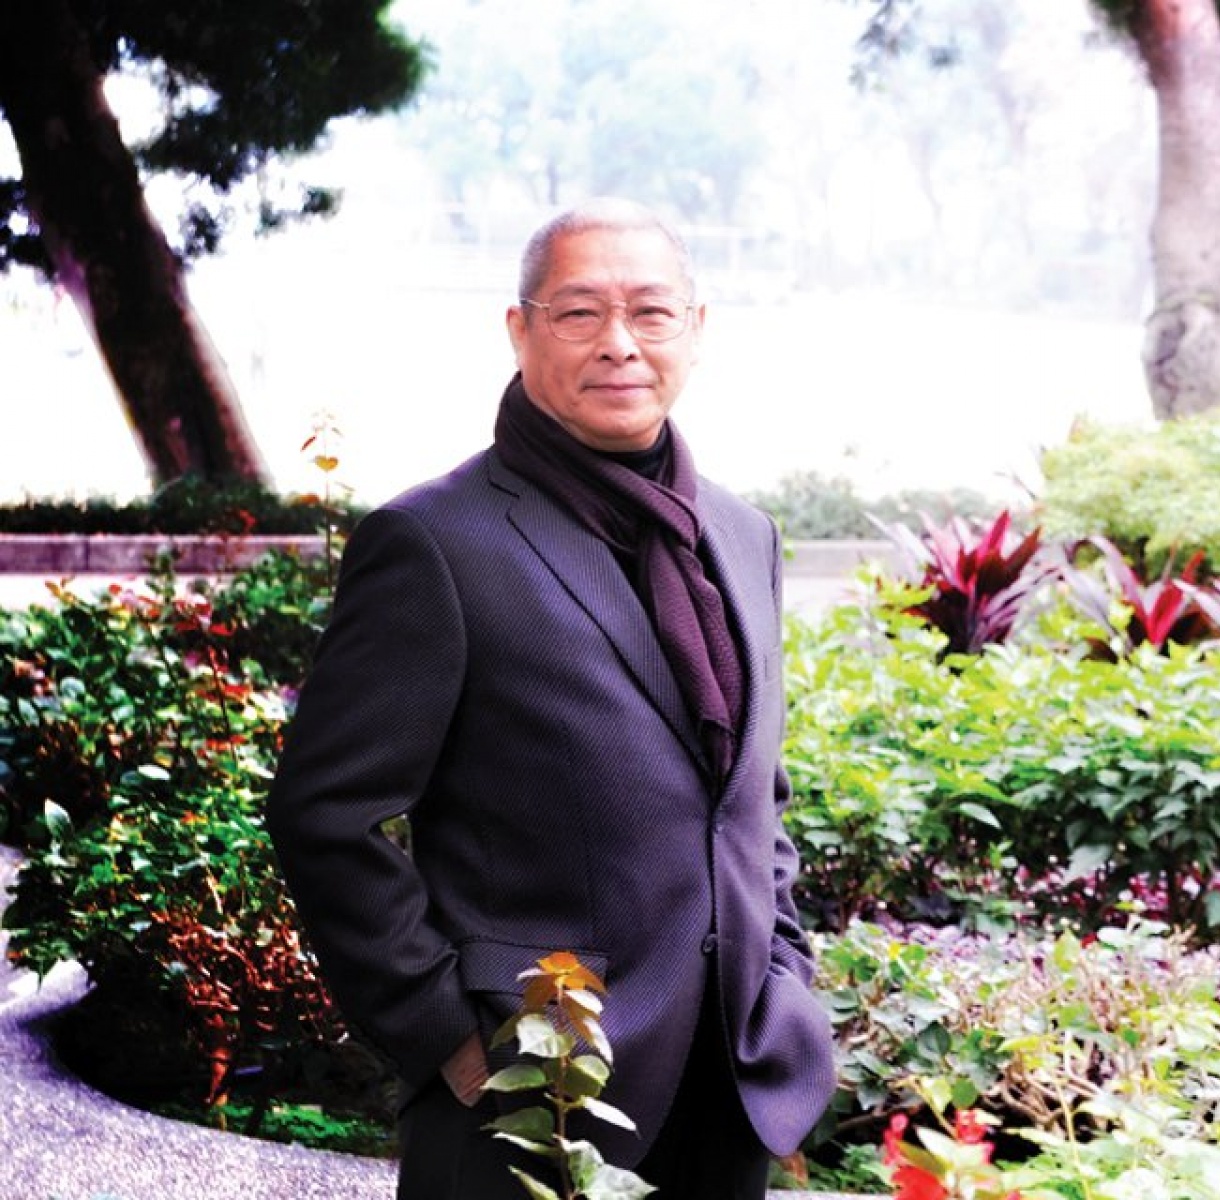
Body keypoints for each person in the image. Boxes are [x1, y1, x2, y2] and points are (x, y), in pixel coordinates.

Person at [266, 199, 836, 1200]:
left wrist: (782, 974)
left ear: (696, 329)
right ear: (519, 331)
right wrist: (447, 1036)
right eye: (579, 313)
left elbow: (752, 796)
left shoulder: (744, 537)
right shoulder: (437, 542)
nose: (620, 342)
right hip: (529, 1097)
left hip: (731, 1085)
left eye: (651, 312)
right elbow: (326, 815)